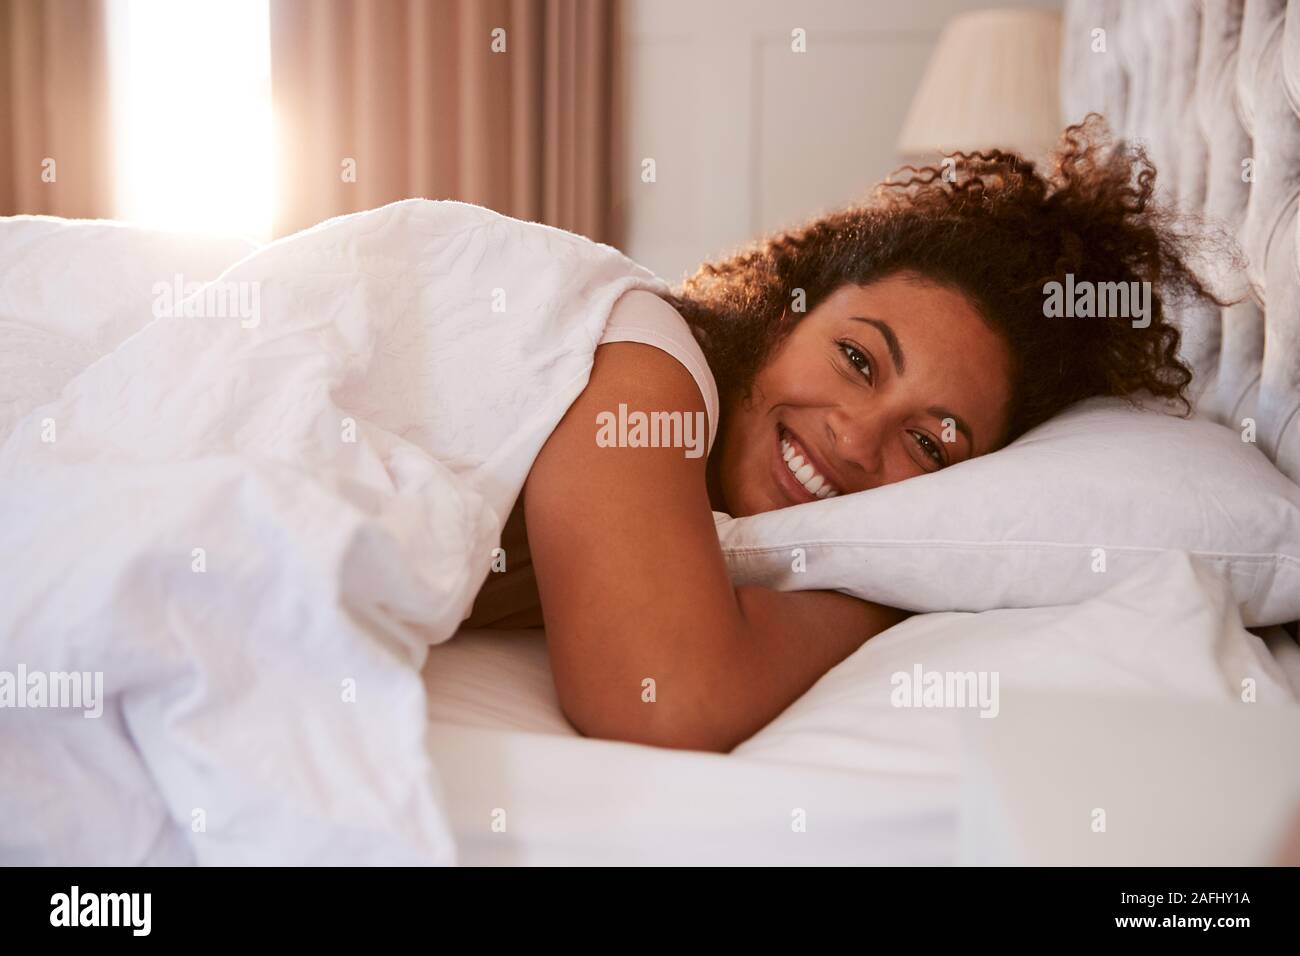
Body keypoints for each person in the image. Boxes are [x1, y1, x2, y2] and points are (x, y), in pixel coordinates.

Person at [465, 115, 1217, 752]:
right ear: (787, 315)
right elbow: (664, 699)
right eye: (857, 358)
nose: (857, 442)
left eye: (931, 444)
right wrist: (883, 597)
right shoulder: (648, 369)